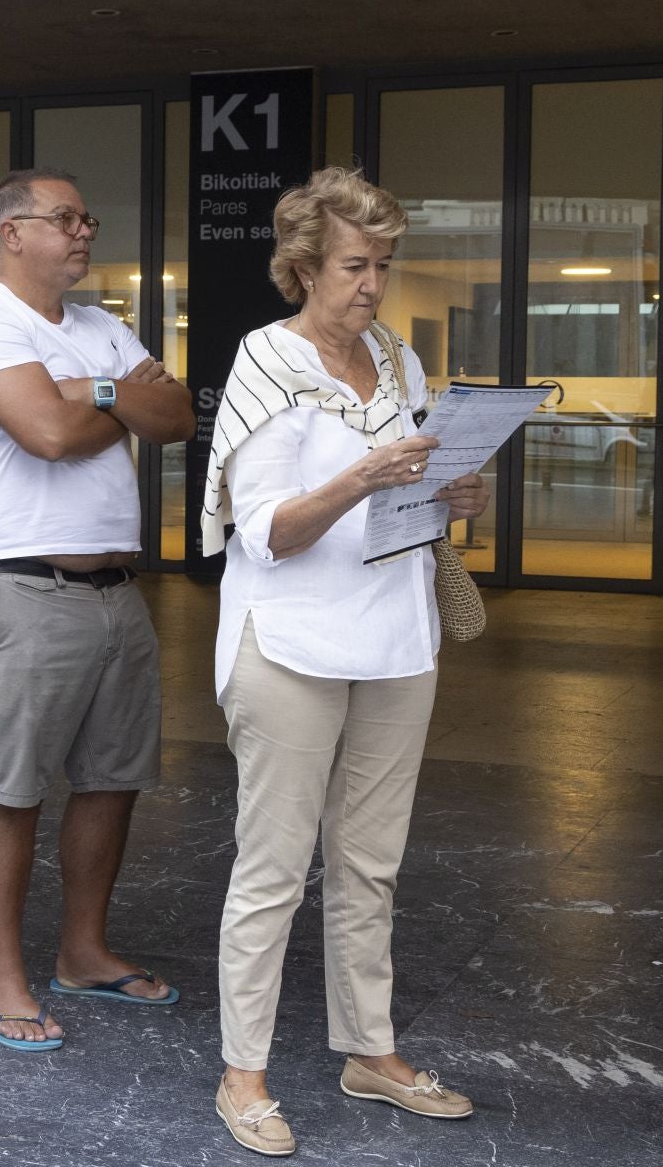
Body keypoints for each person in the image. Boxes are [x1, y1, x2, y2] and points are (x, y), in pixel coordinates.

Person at [197, 167, 490, 1155]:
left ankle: (370, 1048)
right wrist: (362, 472)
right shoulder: (267, 365)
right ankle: (245, 1072)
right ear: (303, 266)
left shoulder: (400, 364)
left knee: (371, 862)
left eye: (385, 264)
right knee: (273, 866)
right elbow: (267, 528)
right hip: (289, 639)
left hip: (396, 635)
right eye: (357, 265)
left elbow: (410, 490)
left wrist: (452, 495)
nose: (374, 283)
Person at [0, 168, 196, 1051]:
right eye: (64, 219)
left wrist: (99, 390)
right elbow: (45, 434)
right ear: (12, 233)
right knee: (10, 787)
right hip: (22, 591)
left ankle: (83, 951)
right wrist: (112, 396)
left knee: (112, 780)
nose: (84, 231)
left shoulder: (99, 327)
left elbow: (179, 414)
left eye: (88, 217)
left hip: (117, 595)